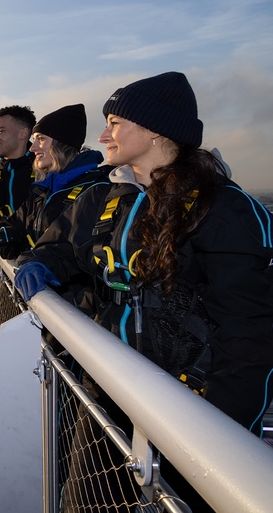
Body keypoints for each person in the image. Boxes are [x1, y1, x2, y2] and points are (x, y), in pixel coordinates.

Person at [14, 71, 273, 511]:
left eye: (114, 121)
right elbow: (62, 246)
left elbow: (249, 335)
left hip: (188, 414)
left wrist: (219, 435)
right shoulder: (104, 198)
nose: (103, 134)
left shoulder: (223, 209)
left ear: (155, 130)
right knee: (84, 503)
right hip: (106, 395)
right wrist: (38, 262)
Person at [0, 103, 109, 261]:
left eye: (40, 139)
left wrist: (37, 261)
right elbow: (11, 223)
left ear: (61, 143)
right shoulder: (42, 189)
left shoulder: (94, 188)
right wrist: (7, 238)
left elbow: (76, 250)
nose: (33, 148)